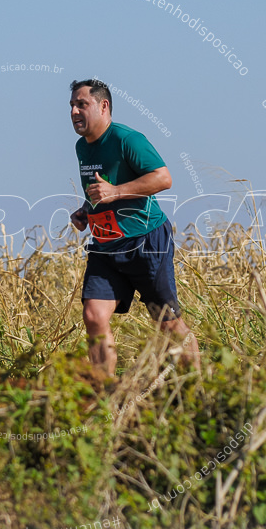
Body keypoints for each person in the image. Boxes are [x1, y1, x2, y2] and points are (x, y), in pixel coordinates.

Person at [67, 79, 200, 379]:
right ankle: (104, 398)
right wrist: (87, 211)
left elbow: (163, 178)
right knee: (94, 316)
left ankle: (199, 393)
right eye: (72, 106)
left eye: (82, 104)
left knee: (167, 324)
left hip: (146, 242)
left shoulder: (128, 139)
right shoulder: (81, 147)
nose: (74, 111)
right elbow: (101, 189)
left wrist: (115, 193)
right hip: (105, 246)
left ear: (104, 106)